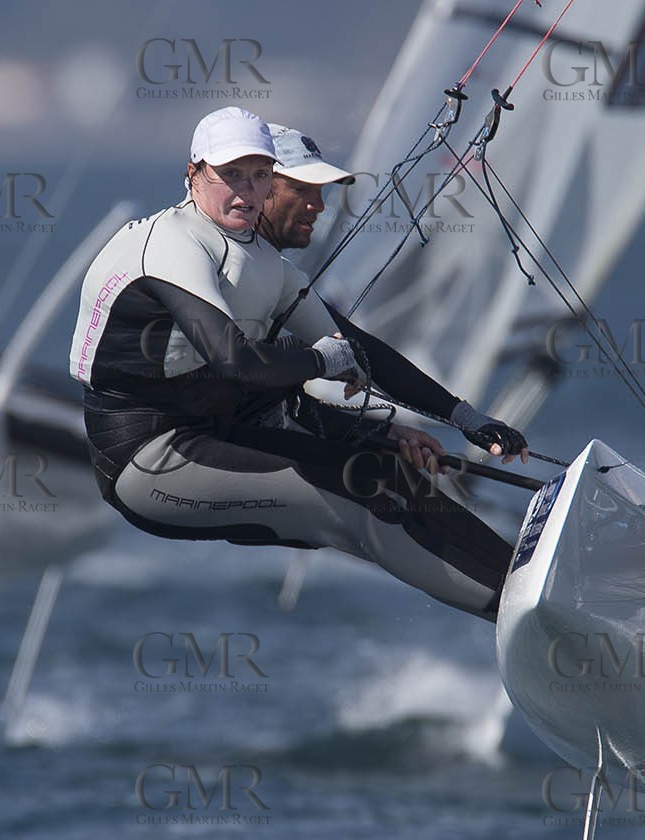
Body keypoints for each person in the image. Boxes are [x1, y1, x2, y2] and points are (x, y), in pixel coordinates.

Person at [67, 107, 526, 621]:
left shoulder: (267, 267)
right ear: (193, 175)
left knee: (387, 476)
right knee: (362, 493)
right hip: (149, 461)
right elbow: (237, 362)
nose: (245, 190)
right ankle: (522, 612)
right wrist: (318, 361)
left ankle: (527, 580)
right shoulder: (173, 244)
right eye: (230, 175)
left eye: (258, 176)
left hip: (215, 437)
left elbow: (357, 348)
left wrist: (465, 418)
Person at [255, 121, 529, 475]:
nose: (319, 206)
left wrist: (461, 419)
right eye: (301, 189)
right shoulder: (232, 267)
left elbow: (362, 349)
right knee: (389, 500)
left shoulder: (276, 272)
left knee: (398, 487)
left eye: (321, 192)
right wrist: (380, 432)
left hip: (259, 438)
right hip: (203, 452)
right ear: (257, 187)